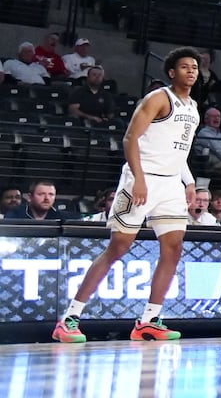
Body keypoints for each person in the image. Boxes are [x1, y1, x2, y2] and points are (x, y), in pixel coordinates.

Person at [53, 46, 202, 343]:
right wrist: (139, 180)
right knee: (118, 248)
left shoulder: (193, 106)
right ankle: (69, 319)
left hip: (171, 183)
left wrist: (188, 181)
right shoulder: (158, 98)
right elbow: (130, 137)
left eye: (195, 67)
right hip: (140, 179)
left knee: (173, 249)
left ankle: (148, 321)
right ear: (172, 72)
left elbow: (178, 150)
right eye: (185, 66)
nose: (191, 71)